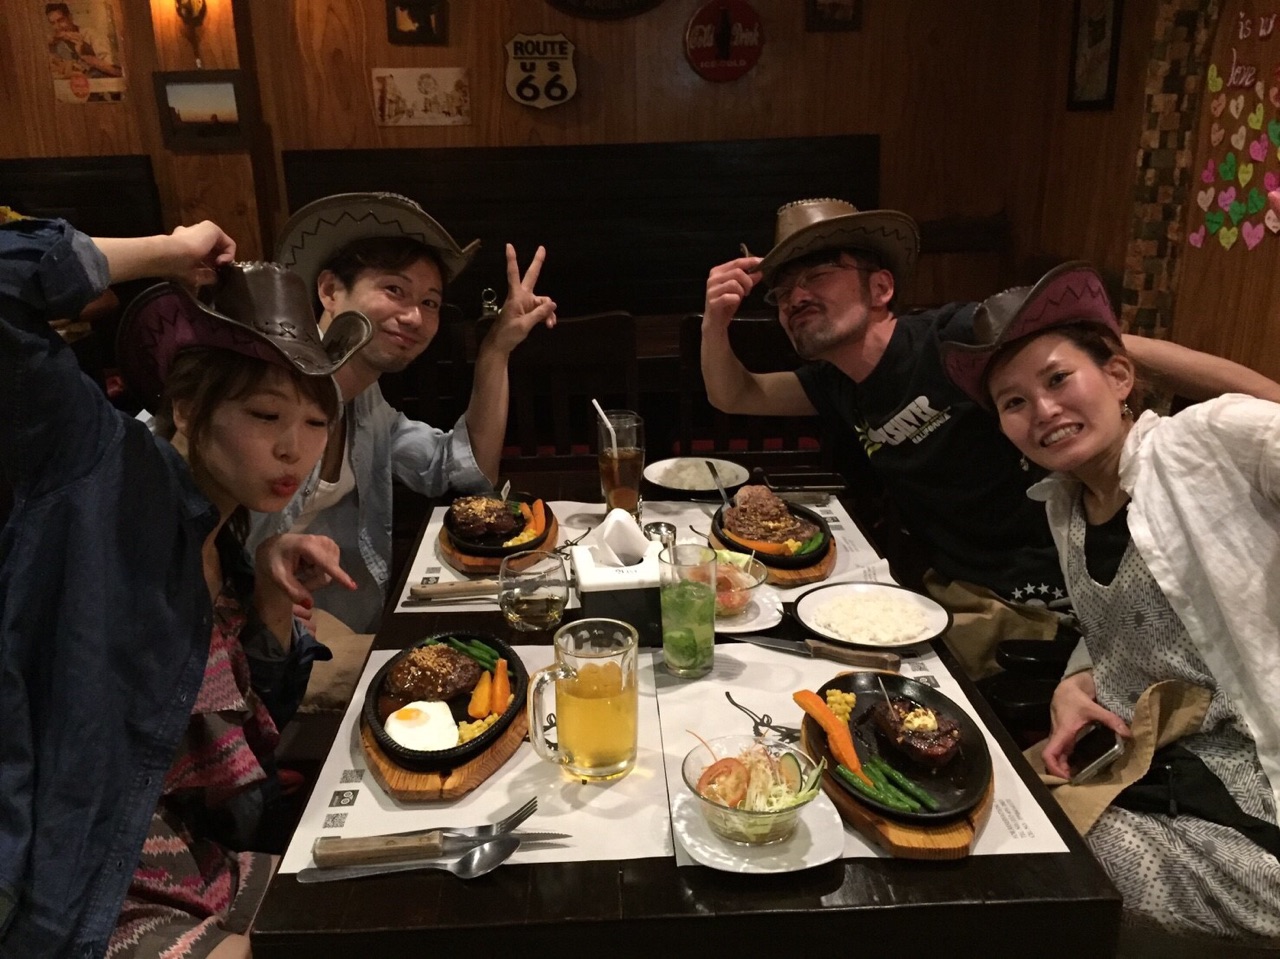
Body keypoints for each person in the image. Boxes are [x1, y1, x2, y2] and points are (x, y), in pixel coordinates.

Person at [701, 198, 1280, 677]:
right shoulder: (835, 384)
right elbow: (735, 394)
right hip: (960, 589)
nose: (795, 297)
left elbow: (1112, 348)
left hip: (1049, 601)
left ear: (880, 287)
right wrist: (716, 320)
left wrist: (1267, 399)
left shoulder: (955, 341)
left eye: (816, 276)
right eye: (783, 291)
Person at [0, 215, 371, 958]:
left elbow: (238, 763)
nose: (293, 448)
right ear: (192, 406)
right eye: (265, 414)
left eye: (314, 421)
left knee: (379, 905)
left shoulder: (227, 542)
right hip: (77, 883)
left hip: (196, 863)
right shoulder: (100, 468)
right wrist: (164, 253)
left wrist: (269, 607)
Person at [943, 261, 1280, 941]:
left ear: (1120, 377)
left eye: (1058, 378)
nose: (1043, 411)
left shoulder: (1204, 443)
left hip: (1244, 802)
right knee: (965, 816)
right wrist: (1074, 683)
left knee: (1026, 881)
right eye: (1013, 402)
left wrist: (1112, 336)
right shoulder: (1065, 507)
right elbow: (1121, 626)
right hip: (1143, 769)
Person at [253, 192, 557, 633]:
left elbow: (461, 468)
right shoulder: (261, 391)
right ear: (330, 290)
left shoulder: (367, 402)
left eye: (430, 302)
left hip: (341, 622)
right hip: (250, 638)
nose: (415, 316)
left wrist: (496, 348)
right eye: (394, 290)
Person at [46, 2, 123, 79]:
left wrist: (86, 53)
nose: (57, 27)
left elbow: (116, 71)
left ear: (70, 17)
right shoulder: (55, 43)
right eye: (53, 23)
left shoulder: (90, 35)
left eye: (61, 20)